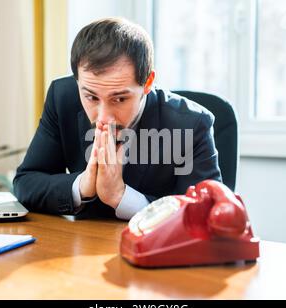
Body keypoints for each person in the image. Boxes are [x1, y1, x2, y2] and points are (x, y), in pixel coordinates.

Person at [13, 17, 222, 220]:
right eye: (91, 97)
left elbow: (207, 216)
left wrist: (121, 197)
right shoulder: (62, 97)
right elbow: (26, 182)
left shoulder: (192, 125)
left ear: (148, 83)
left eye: (119, 98)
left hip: (155, 252)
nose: (104, 118)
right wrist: (81, 186)